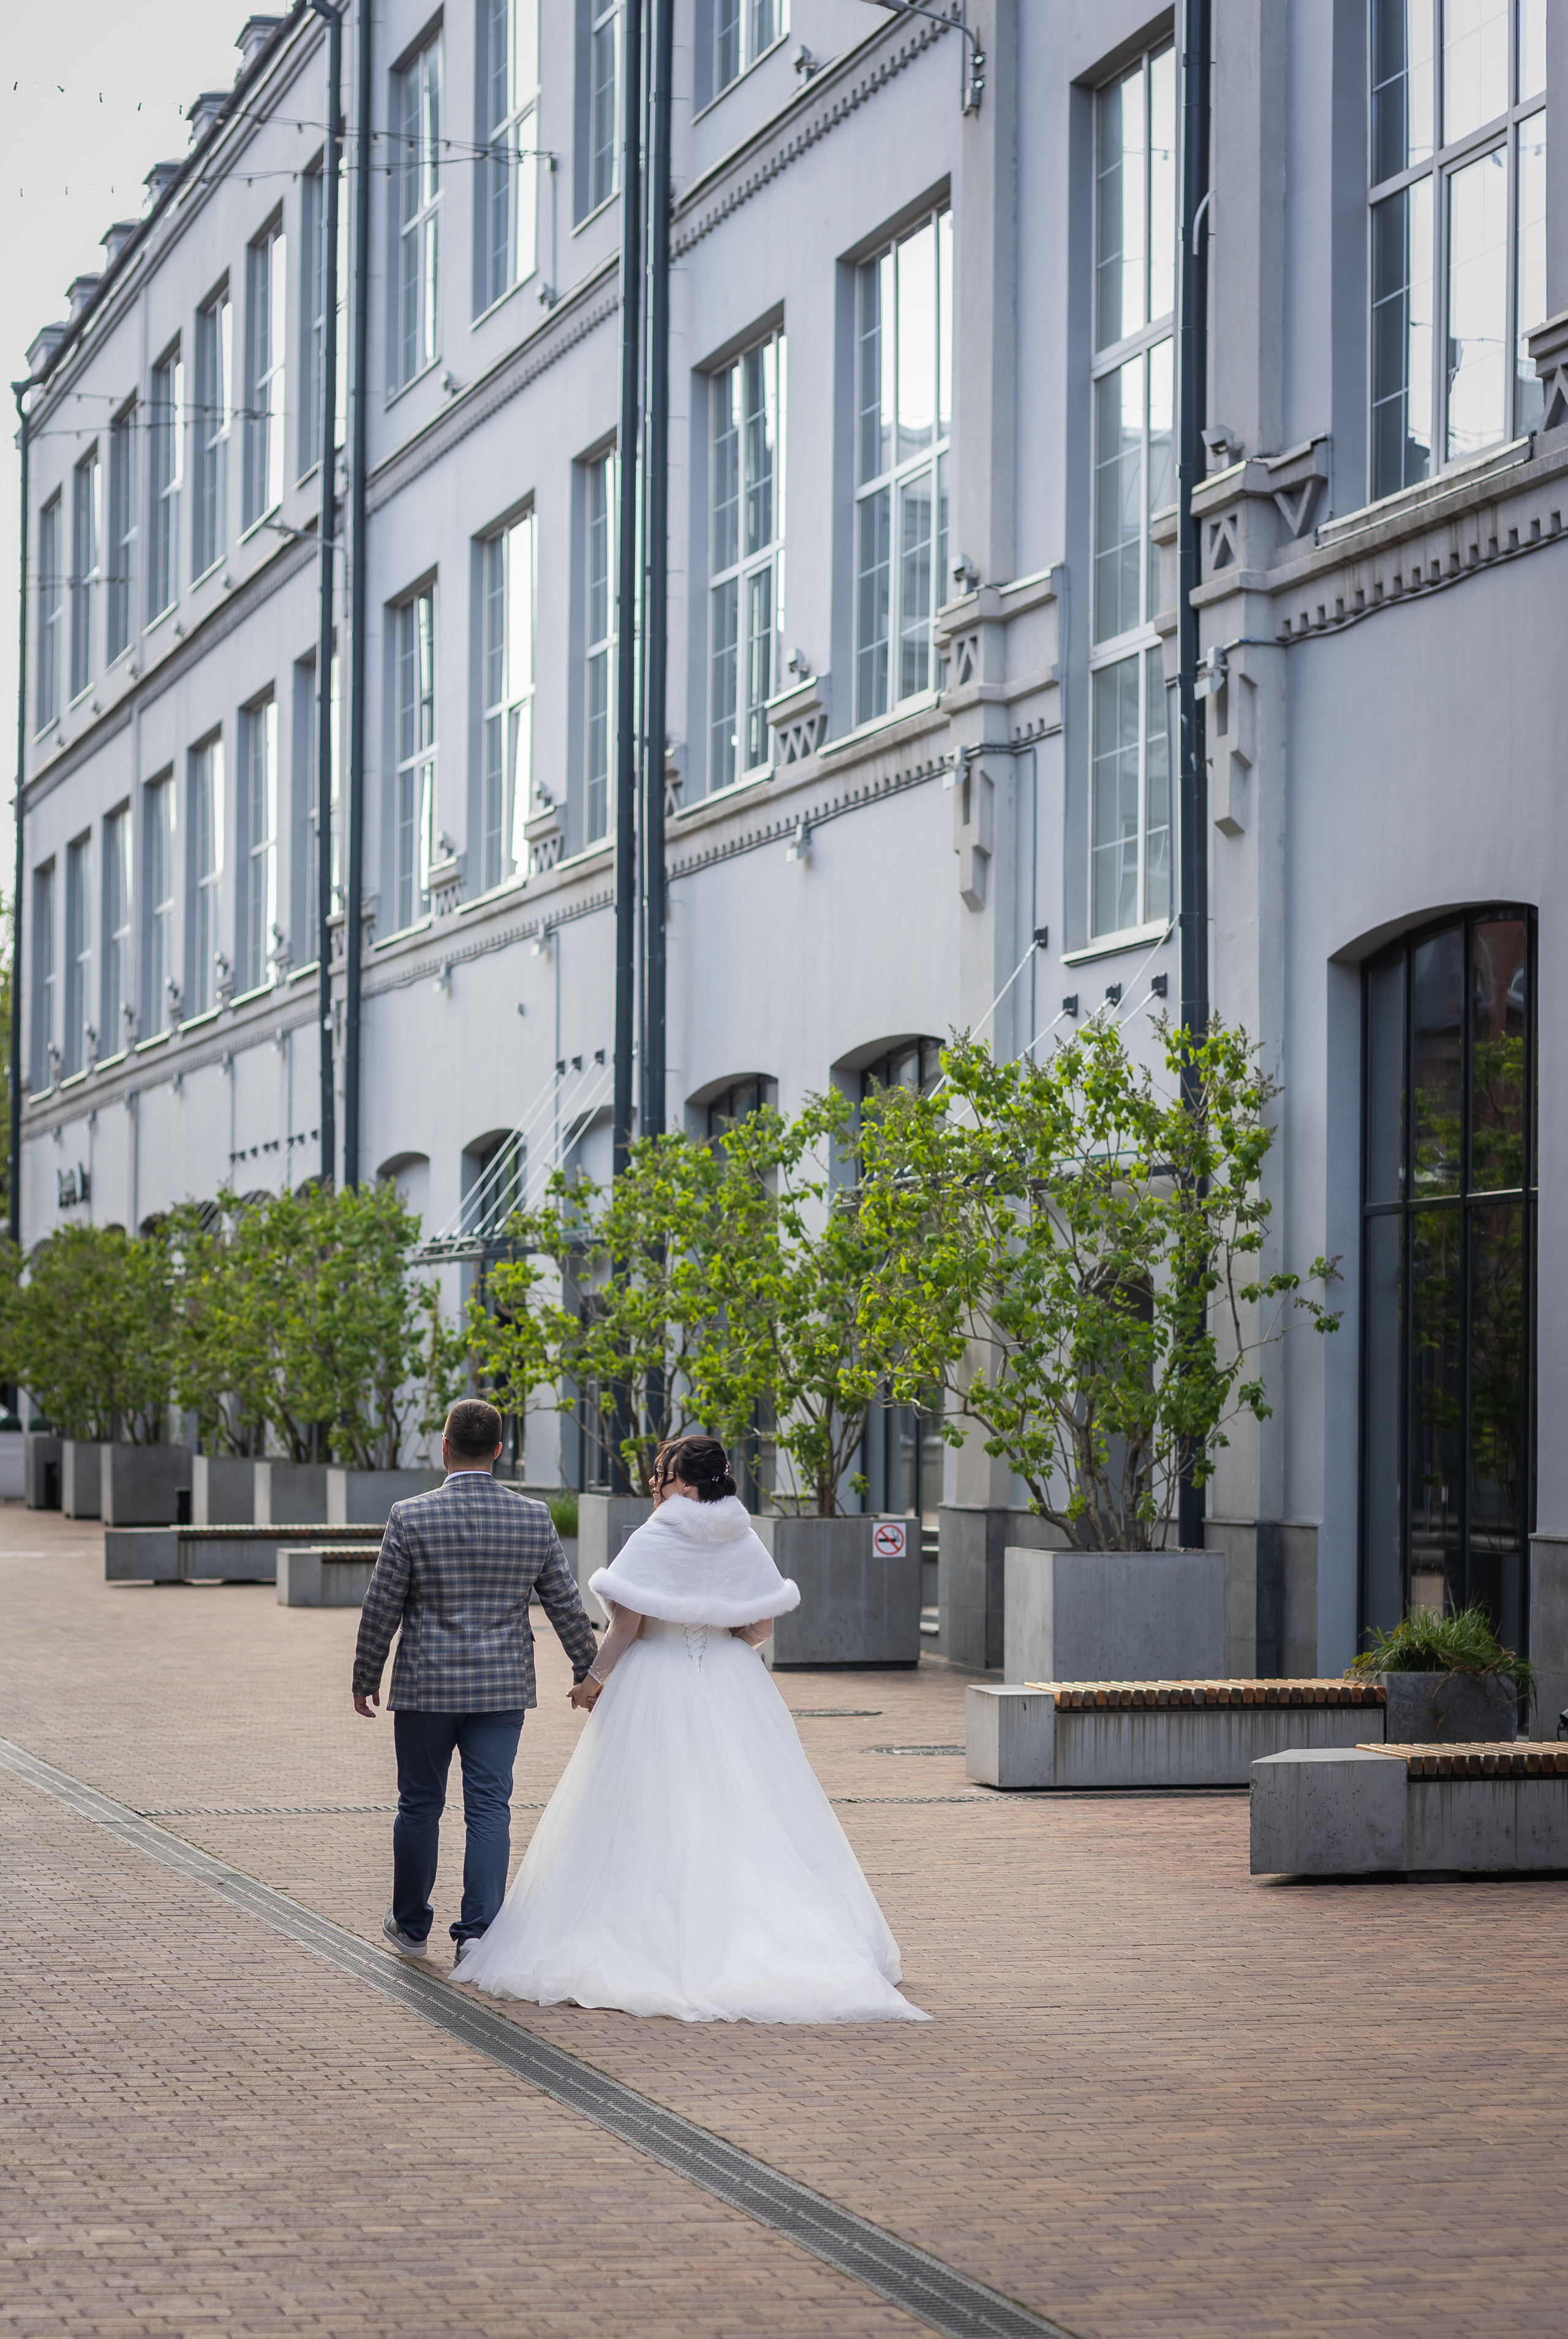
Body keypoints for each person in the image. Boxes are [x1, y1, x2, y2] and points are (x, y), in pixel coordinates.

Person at [454, 1434, 929, 2023]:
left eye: (663, 1472)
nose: (656, 1481)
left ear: (686, 1483)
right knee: (747, 1806)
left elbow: (626, 1626)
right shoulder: (742, 1534)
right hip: (733, 1678)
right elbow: (760, 1626)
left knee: (645, 1810)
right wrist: (721, 1631)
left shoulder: (657, 1534)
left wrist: (592, 1680)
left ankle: (655, 1933)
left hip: (655, 1676)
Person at [352, 1396, 600, 1964]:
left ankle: (411, 1925)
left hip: (426, 1689)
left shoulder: (409, 1516)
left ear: (444, 1446)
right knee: (490, 1807)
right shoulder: (532, 1517)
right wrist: (588, 1670)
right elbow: (565, 1602)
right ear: (499, 1450)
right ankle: (478, 1935)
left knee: (419, 1804)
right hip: (500, 1689)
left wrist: (366, 1675)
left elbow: (380, 1606)